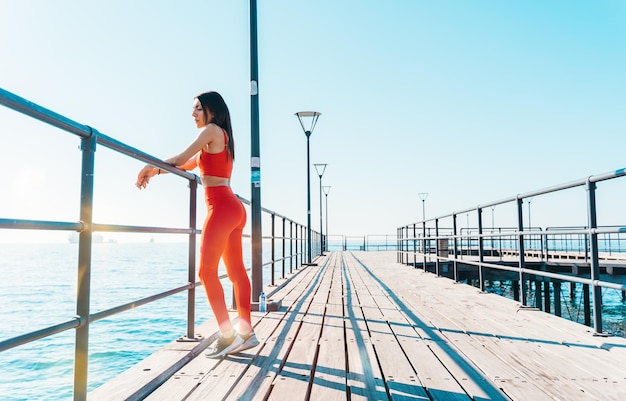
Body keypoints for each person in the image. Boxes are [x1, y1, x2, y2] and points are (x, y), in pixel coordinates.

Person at [136, 91, 259, 358]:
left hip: (221, 208)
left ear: (212, 111)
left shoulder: (211, 131)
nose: (193, 113)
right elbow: (186, 165)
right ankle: (246, 333)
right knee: (236, 271)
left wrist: (148, 165)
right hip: (234, 208)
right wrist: (154, 171)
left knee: (206, 273)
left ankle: (228, 337)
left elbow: (180, 159)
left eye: (197, 108)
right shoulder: (219, 139)